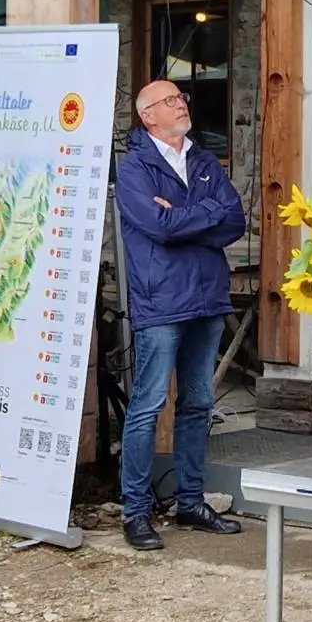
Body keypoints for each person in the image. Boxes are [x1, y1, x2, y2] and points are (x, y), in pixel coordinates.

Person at [116, 80, 247, 551]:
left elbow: (235, 218)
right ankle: (135, 510)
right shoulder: (135, 170)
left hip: (207, 295)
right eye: (170, 100)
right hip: (161, 299)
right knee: (149, 404)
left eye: (181, 98)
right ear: (148, 115)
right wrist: (201, 216)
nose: (181, 104)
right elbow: (159, 227)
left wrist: (188, 215)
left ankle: (190, 501)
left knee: (197, 404)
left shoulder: (204, 159)